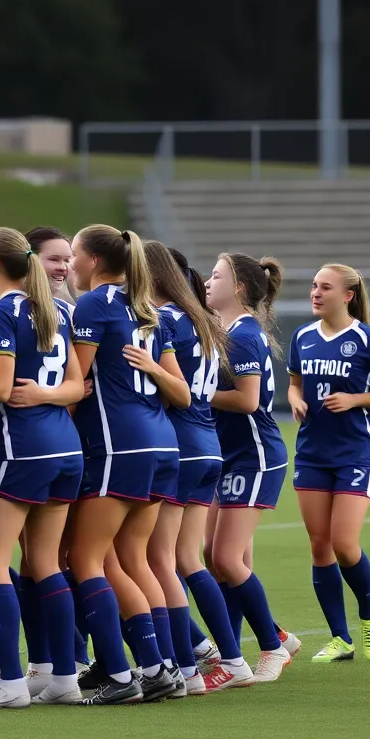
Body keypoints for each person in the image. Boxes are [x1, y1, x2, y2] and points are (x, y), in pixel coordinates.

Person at [67, 224, 190, 705]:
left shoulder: (95, 304)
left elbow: (75, 383)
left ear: (94, 261)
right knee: (132, 560)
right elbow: (180, 394)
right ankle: (169, 669)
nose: (71, 264)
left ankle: (135, 673)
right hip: (160, 443)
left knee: (87, 559)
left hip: (121, 446)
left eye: (75, 254)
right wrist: (154, 368)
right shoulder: (145, 308)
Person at [0, 227, 86, 708]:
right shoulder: (55, 308)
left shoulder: (0, 313)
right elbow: (76, 386)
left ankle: (12, 683)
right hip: (65, 447)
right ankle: (63, 677)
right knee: (44, 563)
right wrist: (47, 394)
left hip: (22, 449)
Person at [140, 242, 253, 694]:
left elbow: (169, 387)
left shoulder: (164, 320)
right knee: (186, 559)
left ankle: (186, 668)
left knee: (161, 560)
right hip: (207, 444)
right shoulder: (202, 320)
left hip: (181, 446)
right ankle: (228, 657)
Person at [288, 264, 370, 663]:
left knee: (344, 543)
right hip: (311, 452)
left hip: (355, 452)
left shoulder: (366, 339)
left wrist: (356, 399)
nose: (315, 293)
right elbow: (294, 382)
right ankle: (340, 639)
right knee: (319, 545)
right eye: (313, 286)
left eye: (325, 287)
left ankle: (369, 618)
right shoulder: (302, 336)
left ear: (347, 295)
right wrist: (293, 398)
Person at [204, 252, 292, 682]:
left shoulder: (241, 335)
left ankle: (271, 649)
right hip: (229, 454)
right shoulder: (224, 330)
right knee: (217, 555)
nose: (206, 281)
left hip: (254, 455)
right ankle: (242, 646)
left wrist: (192, 391)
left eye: (216, 275)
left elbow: (248, 401)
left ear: (238, 288)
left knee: (223, 557)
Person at [25, 226, 76, 304]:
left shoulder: (68, 311)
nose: (62, 267)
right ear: (30, 259)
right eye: (54, 259)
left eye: (66, 260)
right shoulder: (10, 309)